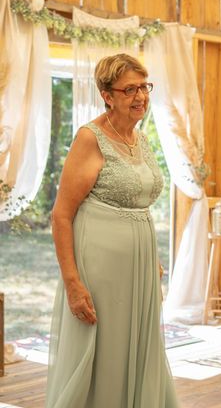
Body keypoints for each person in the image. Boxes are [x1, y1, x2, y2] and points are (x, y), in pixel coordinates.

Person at [47, 54, 178, 407]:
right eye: (130, 89)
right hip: (99, 269)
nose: (140, 97)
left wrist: (150, 257)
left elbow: (138, 202)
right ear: (107, 95)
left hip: (139, 267)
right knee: (105, 353)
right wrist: (73, 284)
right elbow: (61, 216)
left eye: (144, 87)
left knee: (137, 347)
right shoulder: (91, 138)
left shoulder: (140, 138)